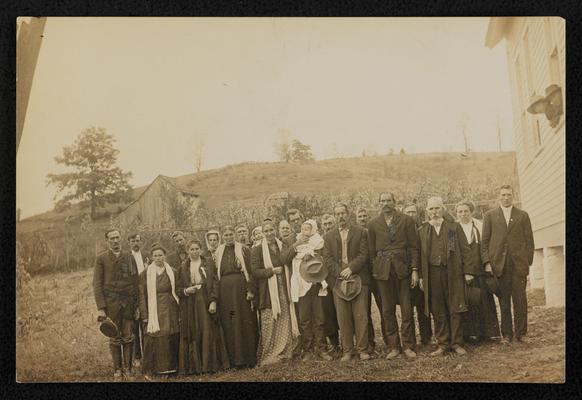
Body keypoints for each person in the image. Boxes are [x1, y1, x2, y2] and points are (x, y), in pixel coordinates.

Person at [418, 197, 475, 356]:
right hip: (432, 274)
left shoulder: (452, 228)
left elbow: (465, 250)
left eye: (437, 208)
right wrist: (422, 277)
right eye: (431, 209)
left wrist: (468, 271)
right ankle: (443, 344)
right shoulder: (423, 231)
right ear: (427, 212)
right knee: (438, 309)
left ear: (442, 209)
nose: (434, 212)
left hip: (452, 272)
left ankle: (457, 343)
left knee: (455, 306)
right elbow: (419, 256)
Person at [367, 192, 420, 360]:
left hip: (402, 270)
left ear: (394, 202)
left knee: (406, 309)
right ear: (379, 203)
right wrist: (375, 271)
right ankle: (394, 346)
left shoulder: (406, 220)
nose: (385, 204)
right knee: (387, 310)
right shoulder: (373, 224)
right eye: (382, 201)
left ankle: (409, 346)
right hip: (383, 273)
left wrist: (414, 270)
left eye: (388, 200)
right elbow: (371, 252)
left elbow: (413, 247)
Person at [481, 185, 534, 344]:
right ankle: (507, 334)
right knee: (504, 301)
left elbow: (529, 241)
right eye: (503, 195)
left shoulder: (522, 215)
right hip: (499, 265)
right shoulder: (490, 216)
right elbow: (484, 242)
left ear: (513, 196)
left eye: (509, 195)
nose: (506, 197)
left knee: (520, 300)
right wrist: (487, 263)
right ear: (499, 197)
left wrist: (527, 262)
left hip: (518, 265)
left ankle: (521, 333)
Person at [323, 203, 371, 362]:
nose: (340, 216)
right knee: (343, 316)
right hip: (339, 280)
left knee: (361, 315)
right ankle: (348, 350)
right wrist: (339, 272)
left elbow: (364, 254)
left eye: (343, 213)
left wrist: (351, 268)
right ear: (335, 216)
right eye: (337, 214)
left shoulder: (361, 232)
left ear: (348, 214)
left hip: (358, 277)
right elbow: (327, 259)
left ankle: (363, 349)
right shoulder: (328, 236)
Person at [176, 239, 230, 374]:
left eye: (196, 249)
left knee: (207, 329)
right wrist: (186, 291)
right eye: (191, 249)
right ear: (188, 251)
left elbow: (215, 283)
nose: (194, 252)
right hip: (190, 303)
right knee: (194, 330)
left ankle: (209, 365)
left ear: (200, 249)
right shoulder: (182, 267)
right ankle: (195, 367)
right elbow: (177, 289)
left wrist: (213, 300)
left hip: (205, 300)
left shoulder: (208, 263)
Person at [251, 220, 299, 366]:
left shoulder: (282, 245)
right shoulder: (257, 250)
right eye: (266, 231)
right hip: (268, 290)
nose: (269, 233)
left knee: (284, 318)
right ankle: (270, 355)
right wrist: (271, 271)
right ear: (263, 233)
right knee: (269, 321)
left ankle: (285, 352)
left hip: (283, 287)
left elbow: (288, 259)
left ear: (275, 230)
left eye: (271, 230)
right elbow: (254, 271)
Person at [93, 229, 139, 380]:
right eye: (111, 238)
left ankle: (128, 369)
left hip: (128, 303)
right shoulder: (101, 259)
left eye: (117, 237)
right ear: (107, 241)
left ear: (121, 239)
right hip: (111, 304)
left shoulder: (129, 257)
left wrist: (137, 305)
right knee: (114, 337)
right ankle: (117, 370)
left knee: (128, 336)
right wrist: (101, 308)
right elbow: (97, 284)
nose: (115, 241)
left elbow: (136, 282)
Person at [286, 220, 332, 361]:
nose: (305, 231)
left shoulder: (319, 241)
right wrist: (297, 245)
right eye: (303, 228)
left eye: (308, 228)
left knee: (319, 317)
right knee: (305, 319)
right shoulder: (294, 240)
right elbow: (285, 258)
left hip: (316, 283)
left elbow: (324, 259)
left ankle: (322, 348)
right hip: (301, 285)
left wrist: (312, 255)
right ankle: (308, 349)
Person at [455, 200, 500, 342]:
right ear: (456, 213)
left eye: (466, 211)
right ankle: (471, 334)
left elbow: (486, 245)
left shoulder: (479, 226)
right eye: (460, 212)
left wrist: (487, 264)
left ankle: (489, 333)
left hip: (479, 269)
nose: (463, 214)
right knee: (469, 300)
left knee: (484, 299)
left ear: (471, 211)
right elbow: (451, 250)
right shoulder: (452, 229)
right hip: (462, 271)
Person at [214, 226, 259, 368]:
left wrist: (250, 290)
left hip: (241, 291)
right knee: (231, 321)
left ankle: (249, 358)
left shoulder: (244, 249)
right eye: (225, 234)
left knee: (244, 321)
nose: (228, 237)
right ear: (223, 236)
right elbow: (215, 275)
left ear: (234, 235)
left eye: (230, 234)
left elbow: (251, 272)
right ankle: (235, 360)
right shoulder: (218, 252)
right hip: (226, 294)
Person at [139, 244, 180, 379]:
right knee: (157, 337)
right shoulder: (145, 274)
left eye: (161, 255)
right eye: (155, 255)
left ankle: (172, 368)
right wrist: (145, 314)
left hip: (170, 306)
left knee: (171, 335)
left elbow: (177, 290)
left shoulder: (172, 271)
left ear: (165, 256)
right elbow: (142, 295)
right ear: (151, 257)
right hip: (154, 308)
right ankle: (157, 369)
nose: (158, 258)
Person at [356, 206, 386, 354]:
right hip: (363, 278)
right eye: (360, 216)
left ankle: (389, 340)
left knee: (384, 307)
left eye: (364, 215)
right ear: (356, 218)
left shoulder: (374, 230)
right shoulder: (355, 233)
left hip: (378, 276)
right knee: (364, 310)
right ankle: (369, 343)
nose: (362, 218)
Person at [403, 203, 433, 347]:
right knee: (408, 307)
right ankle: (410, 340)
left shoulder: (424, 229)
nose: (410, 215)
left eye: (413, 212)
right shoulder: (401, 231)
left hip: (423, 273)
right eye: (407, 212)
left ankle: (426, 336)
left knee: (423, 306)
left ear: (418, 214)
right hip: (406, 274)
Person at [128, 233, 150, 369]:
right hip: (133, 295)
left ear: (141, 241)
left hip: (147, 294)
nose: (136, 243)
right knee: (135, 328)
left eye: (138, 240)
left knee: (147, 326)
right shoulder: (127, 257)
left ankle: (148, 355)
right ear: (129, 242)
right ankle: (137, 357)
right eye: (133, 241)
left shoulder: (147, 255)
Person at [319, 214, 340, 352]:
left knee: (343, 310)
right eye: (325, 224)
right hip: (324, 281)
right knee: (328, 312)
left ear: (335, 223)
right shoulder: (318, 241)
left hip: (339, 277)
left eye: (330, 223)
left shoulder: (340, 237)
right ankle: (335, 344)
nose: (327, 226)